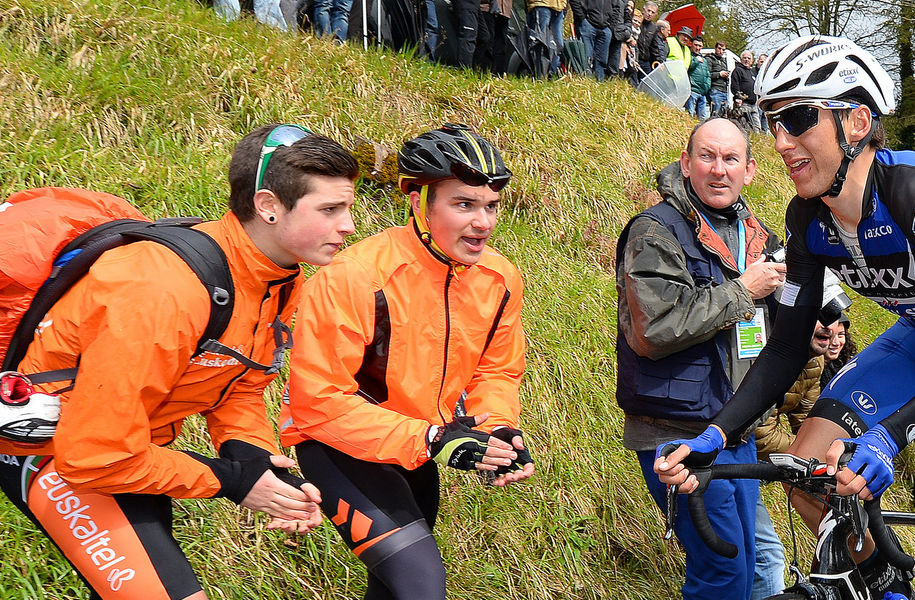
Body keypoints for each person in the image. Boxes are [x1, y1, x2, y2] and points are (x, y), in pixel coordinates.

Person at [656, 35, 915, 599]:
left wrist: (889, 439)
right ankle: (887, 585)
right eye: (774, 123)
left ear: (857, 122)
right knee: (808, 474)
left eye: (797, 119)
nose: (781, 141)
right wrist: (717, 434)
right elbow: (788, 345)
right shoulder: (808, 219)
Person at [0, 123, 358, 599]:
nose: (349, 226)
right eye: (330, 210)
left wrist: (251, 455)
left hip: (137, 450)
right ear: (268, 206)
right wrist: (231, 480)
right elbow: (93, 456)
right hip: (57, 453)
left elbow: (241, 384)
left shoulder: (280, 277)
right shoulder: (163, 290)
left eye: (347, 208)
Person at [281, 124, 535, 600]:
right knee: (420, 586)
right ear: (418, 202)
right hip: (341, 449)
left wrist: (497, 428)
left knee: (391, 591)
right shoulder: (353, 276)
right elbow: (317, 402)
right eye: (464, 204)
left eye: (491, 206)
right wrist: (433, 438)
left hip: (421, 449)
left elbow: (495, 372)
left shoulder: (500, 278)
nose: (483, 222)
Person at [616, 116, 786, 600]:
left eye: (731, 159)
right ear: (686, 164)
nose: (718, 170)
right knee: (723, 571)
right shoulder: (656, 231)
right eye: (707, 157)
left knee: (750, 562)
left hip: (736, 426)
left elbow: (751, 327)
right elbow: (655, 327)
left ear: (749, 170)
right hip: (677, 433)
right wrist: (742, 290)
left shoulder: (756, 232)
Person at [754, 321, 831, 460]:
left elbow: (807, 417)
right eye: (820, 316)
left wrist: (825, 447)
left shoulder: (815, 360)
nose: (828, 325)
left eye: (834, 318)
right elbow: (760, 436)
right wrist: (810, 452)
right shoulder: (763, 355)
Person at [571, 0, 616, 81]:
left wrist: (611, 26)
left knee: (602, 61)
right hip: (587, 25)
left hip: (605, 28)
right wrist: (582, 18)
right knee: (586, 58)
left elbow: (617, 6)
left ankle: (599, 84)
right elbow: (574, 1)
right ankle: (586, 83)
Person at [526, 0, 568, 77]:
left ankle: (552, 74)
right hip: (542, 5)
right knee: (541, 42)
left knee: (558, 44)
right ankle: (539, 74)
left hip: (559, 8)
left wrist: (565, 5)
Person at [819, 312, 857, 388]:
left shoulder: (845, 367)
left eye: (840, 335)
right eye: (829, 335)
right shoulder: (806, 368)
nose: (836, 343)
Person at [730, 51, 761, 132]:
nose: (746, 60)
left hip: (753, 104)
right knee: (745, 127)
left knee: (757, 128)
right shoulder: (738, 70)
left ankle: (756, 141)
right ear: (740, 59)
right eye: (744, 58)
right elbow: (734, 86)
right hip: (743, 104)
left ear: (752, 61)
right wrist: (738, 98)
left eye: (749, 58)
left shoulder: (752, 72)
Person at [685, 36, 711, 120]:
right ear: (691, 44)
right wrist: (696, 60)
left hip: (703, 92)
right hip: (692, 91)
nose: (697, 48)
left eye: (700, 46)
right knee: (690, 115)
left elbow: (708, 75)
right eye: (696, 45)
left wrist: (707, 87)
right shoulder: (688, 56)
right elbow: (687, 68)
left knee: (702, 118)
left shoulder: (704, 60)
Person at [633, 1, 660, 76]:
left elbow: (654, 47)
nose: (649, 14)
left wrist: (658, 61)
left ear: (655, 15)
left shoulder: (654, 28)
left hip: (645, 61)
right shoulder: (636, 21)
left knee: (647, 83)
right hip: (634, 57)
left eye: (652, 12)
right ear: (643, 10)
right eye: (648, 10)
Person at [705, 40, 730, 116]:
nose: (721, 51)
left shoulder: (724, 61)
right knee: (715, 113)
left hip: (724, 91)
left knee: (723, 114)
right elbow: (707, 75)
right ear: (715, 48)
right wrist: (719, 74)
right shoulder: (709, 59)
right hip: (715, 90)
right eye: (719, 48)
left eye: (723, 50)